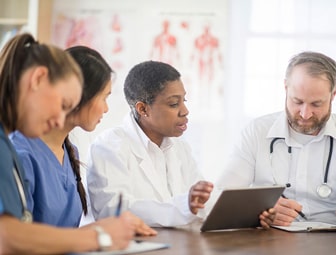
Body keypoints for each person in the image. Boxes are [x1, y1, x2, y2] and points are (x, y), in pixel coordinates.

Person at [216, 51, 336, 237]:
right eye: (297, 101)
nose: (305, 114)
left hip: (335, 242)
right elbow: (223, 194)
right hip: (269, 241)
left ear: (334, 94)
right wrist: (259, 209)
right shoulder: (256, 132)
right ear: (285, 87)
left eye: (316, 104)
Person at [0, 33, 134, 254]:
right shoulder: (15, 149)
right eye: (64, 104)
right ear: (38, 79)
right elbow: (7, 238)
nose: (61, 120)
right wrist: (99, 237)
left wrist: (105, 230)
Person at [9, 46, 156, 236]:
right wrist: (97, 235)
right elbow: (16, 241)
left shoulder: (70, 152)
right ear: (77, 94)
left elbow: (64, 233)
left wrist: (110, 229)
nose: (106, 109)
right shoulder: (21, 153)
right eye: (104, 97)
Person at [87, 60, 214, 227]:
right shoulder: (109, 146)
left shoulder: (180, 147)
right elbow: (113, 210)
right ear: (143, 109)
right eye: (174, 104)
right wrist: (183, 207)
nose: (185, 111)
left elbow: (200, 202)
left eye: (184, 101)